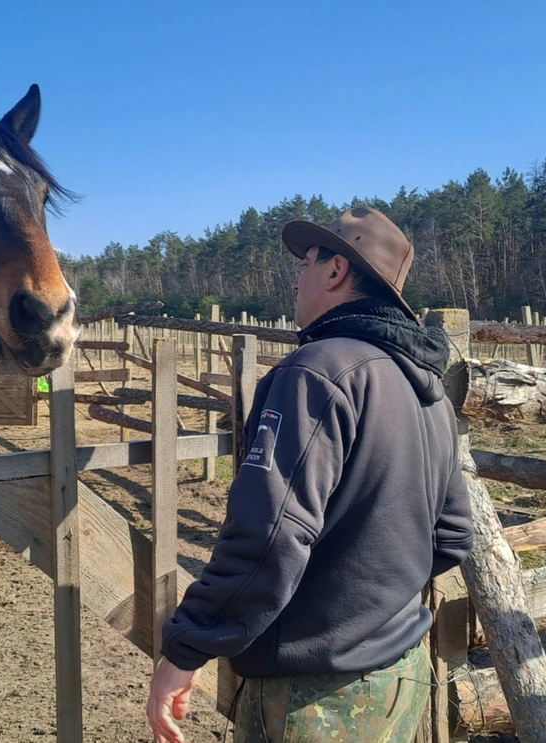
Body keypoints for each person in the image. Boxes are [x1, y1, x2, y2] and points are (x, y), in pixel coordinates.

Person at [145, 206, 475, 742]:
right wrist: (369, 596)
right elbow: (454, 535)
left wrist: (188, 648)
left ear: (337, 271)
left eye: (306, 264)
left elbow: (270, 536)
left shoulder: (316, 373)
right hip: (400, 677)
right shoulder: (428, 391)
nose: (296, 281)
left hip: (314, 697)